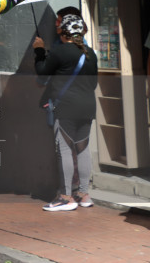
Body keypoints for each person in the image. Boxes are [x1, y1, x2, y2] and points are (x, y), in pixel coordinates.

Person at [34, 15, 98, 211]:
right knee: (83, 150)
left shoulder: (60, 52)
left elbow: (43, 72)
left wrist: (39, 50)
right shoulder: (91, 54)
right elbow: (94, 82)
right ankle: (83, 194)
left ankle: (65, 196)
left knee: (64, 151)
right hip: (87, 106)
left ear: (63, 32)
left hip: (66, 107)